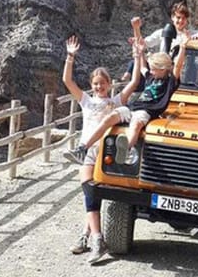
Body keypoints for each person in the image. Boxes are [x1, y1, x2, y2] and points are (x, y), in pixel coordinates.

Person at [61, 24, 144, 264]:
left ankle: (89, 236)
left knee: (95, 193)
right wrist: (70, 56)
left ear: (109, 84)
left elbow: (135, 80)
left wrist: (137, 56)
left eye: (102, 83)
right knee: (90, 191)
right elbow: (67, 81)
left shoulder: (116, 100)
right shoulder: (86, 101)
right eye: (95, 83)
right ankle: (95, 238)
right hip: (87, 153)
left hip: (104, 150)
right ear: (92, 85)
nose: (99, 87)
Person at [65, 18, 187, 167]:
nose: (151, 71)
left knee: (135, 125)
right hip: (132, 108)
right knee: (109, 118)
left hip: (146, 111)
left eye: (154, 68)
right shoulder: (150, 77)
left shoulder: (170, 82)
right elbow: (140, 56)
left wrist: (183, 47)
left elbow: (178, 66)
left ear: (163, 69)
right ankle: (83, 148)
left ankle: (127, 151)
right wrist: (136, 30)